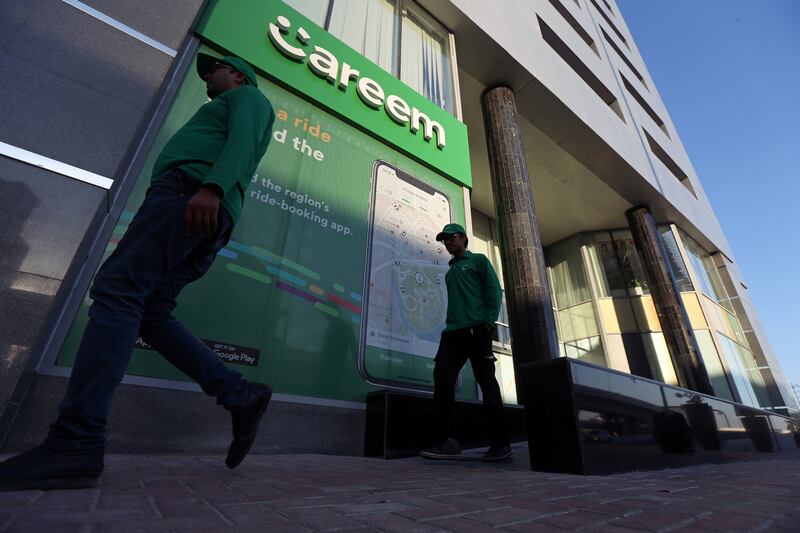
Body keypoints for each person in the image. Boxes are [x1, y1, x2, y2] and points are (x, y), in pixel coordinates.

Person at [0, 53, 276, 491]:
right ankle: (238, 393)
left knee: (117, 290)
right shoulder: (229, 102)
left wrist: (211, 187)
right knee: (149, 311)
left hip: (191, 195)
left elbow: (241, 144)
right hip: (196, 202)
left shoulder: (249, 98)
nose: (207, 76)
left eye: (214, 69)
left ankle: (75, 442)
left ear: (239, 73)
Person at [420, 223, 512, 461]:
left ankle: (501, 444)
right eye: (444, 240)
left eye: (451, 238)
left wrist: (489, 322)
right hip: (452, 334)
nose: (447, 243)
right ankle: (446, 442)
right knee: (442, 381)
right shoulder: (450, 271)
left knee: (487, 384)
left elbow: (494, 291)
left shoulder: (479, 261)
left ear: (463, 239)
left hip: (477, 331)